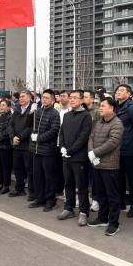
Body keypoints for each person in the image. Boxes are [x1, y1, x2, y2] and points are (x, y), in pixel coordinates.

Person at [87, 97, 124, 236]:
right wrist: (91, 153)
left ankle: (114, 223)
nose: (100, 108)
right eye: (100, 106)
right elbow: (91, 137)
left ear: (111, 108)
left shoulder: (117, 123)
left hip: (109, 165)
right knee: (101, 193)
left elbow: (112, 142)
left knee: (112, 195)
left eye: (103, 106)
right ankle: (102, 218)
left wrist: (95, 153)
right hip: (97, 164)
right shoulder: (99, 122)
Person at [58, 90, 93, 226]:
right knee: (68, 183)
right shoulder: (67, 115)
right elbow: (61, 132)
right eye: (70, 97)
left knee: (82, 185)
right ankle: (68, 208)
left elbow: (84, 136)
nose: (72, 100)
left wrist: (71, 150)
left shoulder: (86, 116)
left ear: (81, 100)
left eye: (75, 98)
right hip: (66, 156)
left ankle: (83, 212)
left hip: (79, 156)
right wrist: (62, 147)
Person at [29, 90, 61, 212]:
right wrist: (30, 114)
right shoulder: (38, 111)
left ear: (53, 100)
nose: (44, 99)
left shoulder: (54, 113)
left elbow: (54, 130)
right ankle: (40, 198)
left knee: (49, 177)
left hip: (48, 150)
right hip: (36, 149)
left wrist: (39, 138)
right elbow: (31, 126)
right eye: (43, 97)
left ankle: (51, 201)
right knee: (38, 176)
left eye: (47, 98)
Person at [115, 84, 133, 218]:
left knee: (132, 179)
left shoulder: (132, 109)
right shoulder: (115, 107)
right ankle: (120, 202)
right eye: (117, 90)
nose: (118, 92)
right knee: (118, 178)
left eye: (122, 90)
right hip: (117, 149)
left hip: (130, 149)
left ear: (128, 94)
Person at [8, 90, 37, 199]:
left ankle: (32, 191)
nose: (21, 98)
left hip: (27, 144)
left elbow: (31, 127)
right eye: (20, 97)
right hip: (16, 144)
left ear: (29, 98)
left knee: (29, 169)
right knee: (17, 167)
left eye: (23, 96)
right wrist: (13, 137)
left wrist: (19, 137)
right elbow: (10, 125)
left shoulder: (33, 111)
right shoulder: (17, 110)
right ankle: (19, 188)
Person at [84, 90, 101, 213]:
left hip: (92, 149)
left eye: (86, 97)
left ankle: (96, 199)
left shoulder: (97, 112)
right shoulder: (82, 111)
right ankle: (84, 197)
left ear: (92, 99)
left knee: (94, 176)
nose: (83, 99)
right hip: (81, 148)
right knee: (83, 175)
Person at [56, 91, 71, 195]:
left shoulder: (71, 111)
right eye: (60, 96)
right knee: (57, 168)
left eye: (64, 96)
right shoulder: (56, 111)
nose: (62, 98)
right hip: (56, 143)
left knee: (67, 170)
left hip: (67, 145)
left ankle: (68, 190)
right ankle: (59, 188)